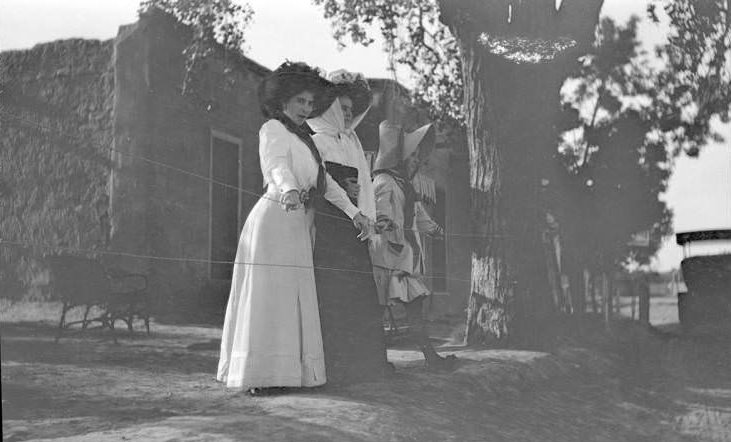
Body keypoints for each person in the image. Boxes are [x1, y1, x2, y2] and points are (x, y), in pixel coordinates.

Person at [216, 62, 371, 395]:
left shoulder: (306, 140)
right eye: (300, 101)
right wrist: (287, 188)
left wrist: (355, 212)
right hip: (275, 218)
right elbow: (276, 166)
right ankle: (260, 374)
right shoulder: (272, 129)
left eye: (310, 103)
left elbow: (325, 183)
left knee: (293, 296)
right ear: (283, 100)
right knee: (271, 294)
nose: (306, 108)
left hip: (298, 225)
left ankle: (290, 372)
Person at [307, 70, 389, 384]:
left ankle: (364, 364)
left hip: (352, 227)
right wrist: (345, 189)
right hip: (329, 225)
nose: (348, 114)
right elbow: (318, 181)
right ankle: (337, 365)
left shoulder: (349, 141)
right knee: (334, 294)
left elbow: (363, 185)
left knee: (358, 293)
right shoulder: (315, 139)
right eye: (342, 108)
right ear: (328, 108)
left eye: (351, 110)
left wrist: (366, 212)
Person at [370, 120, 457, 371]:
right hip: (388, 255)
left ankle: (430, 358)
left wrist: (436, 230)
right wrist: (386, 223)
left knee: (413, 307)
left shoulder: (403, 184)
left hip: (404, 254)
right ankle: (379, 361)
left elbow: (418, 214)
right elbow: (380, 213)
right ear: (399, 158)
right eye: (413, 156)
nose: (416, 161)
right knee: (380, 309)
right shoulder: (385, 182)